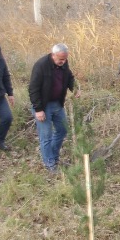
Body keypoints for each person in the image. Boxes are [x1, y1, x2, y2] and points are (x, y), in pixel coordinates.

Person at [28, 43, 78, 172]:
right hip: (43, 106)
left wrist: (75, 89)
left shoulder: (64, 64)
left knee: (62, 130)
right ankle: (49, 163)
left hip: (57, 103)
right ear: (53, 55)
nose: (63, 61)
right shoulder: (41, 66)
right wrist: (38, 109)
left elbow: (69, 78)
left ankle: (54, 157)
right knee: (46, 135)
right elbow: (33, 89)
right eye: (60, 59)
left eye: (65, 59)